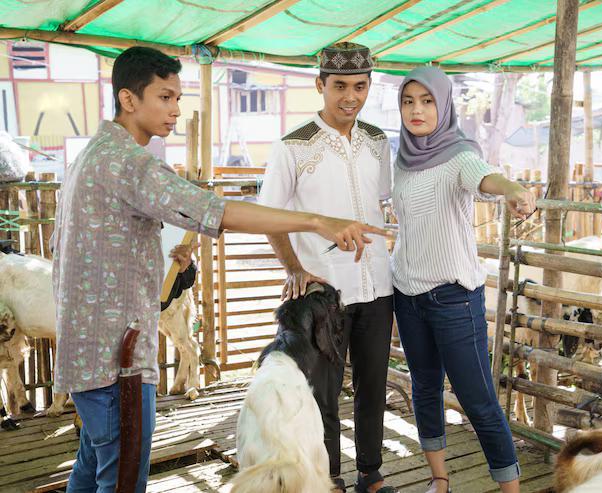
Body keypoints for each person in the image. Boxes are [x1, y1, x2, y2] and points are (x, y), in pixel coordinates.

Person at [53, 46, 387, 493]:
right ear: (129, 100)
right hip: (118, 357)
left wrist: (165, 260)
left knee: (92, 470)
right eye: (165, 97)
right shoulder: (127, 161)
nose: (175, 110)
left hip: (91, 350)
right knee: (121, 479)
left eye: (178, 98)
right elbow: (216, 211)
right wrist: (316, 220)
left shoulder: (92, 156)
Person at [258, 42, 396, 493]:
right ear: (320, 85)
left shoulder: (378, 142)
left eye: (360, 86)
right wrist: (294, 268)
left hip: (376, 284)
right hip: (322, 293)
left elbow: (383, 202)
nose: (350, 97)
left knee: (373, 385)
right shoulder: (292, 147)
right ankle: (329, 477)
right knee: (323, 394)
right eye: (339, 86)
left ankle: (370, 475)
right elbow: (270, 216)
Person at [390, 66, 535, 493]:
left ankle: (510, 488)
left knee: (478, 402)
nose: (417, 110)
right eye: (408, 101)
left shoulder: (459, 154)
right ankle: (440, 479)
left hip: (453, 297)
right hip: (406, 292)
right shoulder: (400, 159)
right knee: (425, 389)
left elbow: (484, 177)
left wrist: (512, 189)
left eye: (427, 101)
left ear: (445, 104)